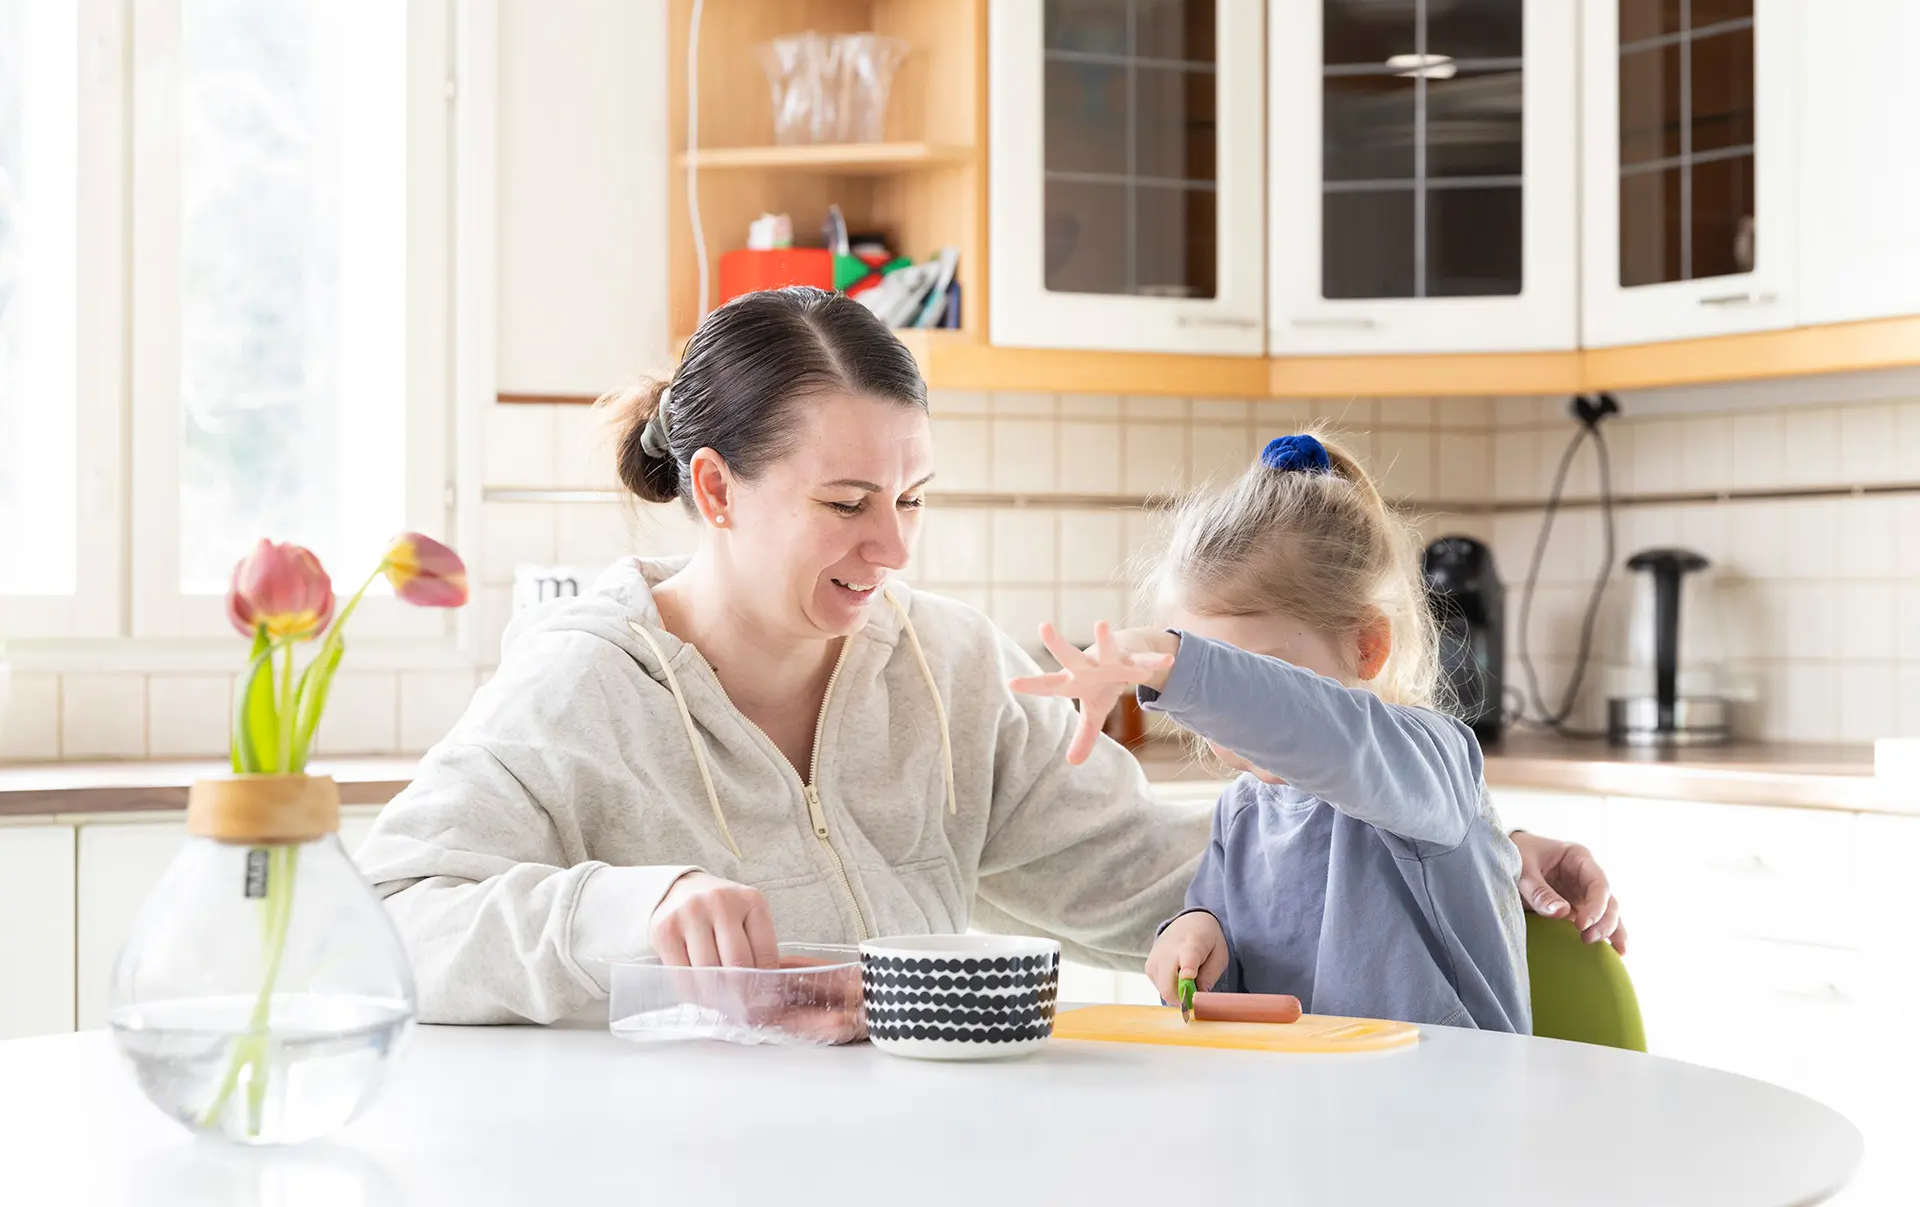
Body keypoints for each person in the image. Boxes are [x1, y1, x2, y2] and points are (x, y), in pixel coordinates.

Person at [356, 287, 1624, 1026]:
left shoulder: (945, 669)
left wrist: (1452, 843)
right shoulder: (583, 684)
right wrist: (632, 906)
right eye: (848, 503)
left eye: (914, 500)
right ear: (717, 489)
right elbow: (388, 923)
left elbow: (1184, 886)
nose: (892, 548)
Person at [1013, 433, 1529, 1031]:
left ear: (1367, 647)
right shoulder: (1242, 814)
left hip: (1445, 1112)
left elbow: (1324, 733)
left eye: (1250, 673)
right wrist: (1196, 934)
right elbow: (1239, 995)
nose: (1223, 714)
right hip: (1300, 1111)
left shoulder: (1430, 760)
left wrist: (1178, 662)